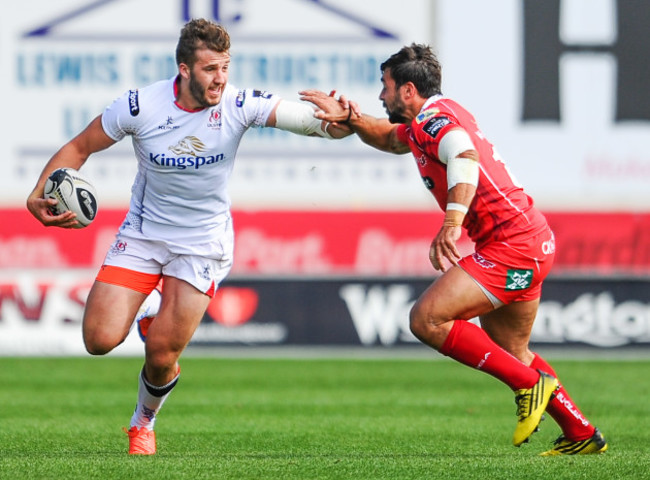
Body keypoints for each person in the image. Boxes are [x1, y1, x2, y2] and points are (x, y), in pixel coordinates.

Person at [26, 18, 349, 455]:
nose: (221, 78)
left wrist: (339, 119)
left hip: (202, 243)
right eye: (210, 69)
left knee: (161, 355)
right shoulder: (140, 106)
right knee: (98, 341)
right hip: (143, 235)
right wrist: (38, 191)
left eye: (225, 67)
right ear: (184, 70)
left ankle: (143, 422)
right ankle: (153, 305)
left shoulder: (238, 104)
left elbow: (315, 124)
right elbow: (80, 147)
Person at [300, 44, 608, 456]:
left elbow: (463, 153)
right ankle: (581, 432)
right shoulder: (427, 119)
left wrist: (451, 222)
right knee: (512, 352)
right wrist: (353, 118)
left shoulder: (436, 120)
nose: (381, 96)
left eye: (385, 87)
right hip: (529, 239)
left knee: (426, 320)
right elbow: (392, 140)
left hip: (513, 246)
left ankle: (530, 385)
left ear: (408, 90)